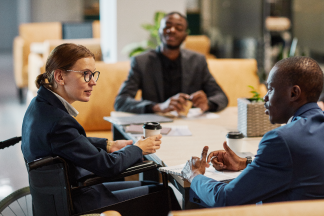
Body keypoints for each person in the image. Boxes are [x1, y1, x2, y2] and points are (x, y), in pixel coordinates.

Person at [21, 43, 180, 213]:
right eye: (85, 75)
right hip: (75, 201)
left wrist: (108, 145)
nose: (94, 82)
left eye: (93, 74)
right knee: (164, 194)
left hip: (59, 195)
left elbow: (66, 141)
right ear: (60, 76)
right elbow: (107, 166)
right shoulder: (58, 121)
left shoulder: (39, 105)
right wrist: (137, 149)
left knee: (153, 186)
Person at [181, 56, 324, 207]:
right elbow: (301, 167)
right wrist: (245, 163)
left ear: (294, 93)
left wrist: (194, 175)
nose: (265, 97)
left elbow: (226, 200)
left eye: (270, 89)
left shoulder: (281, 140)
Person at [114, 12, 228, 114]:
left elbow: (221, 97)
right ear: (159, 31)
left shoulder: (197, 61)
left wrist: (207, 103)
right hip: (155, 126)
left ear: (185, 35)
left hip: (190, 125)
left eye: (178, 28)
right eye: (167, 26)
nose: (172, 30)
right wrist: (158, 107)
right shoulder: (141, 62)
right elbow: (121, 101)